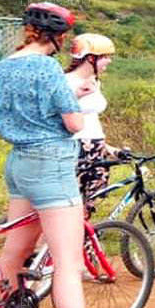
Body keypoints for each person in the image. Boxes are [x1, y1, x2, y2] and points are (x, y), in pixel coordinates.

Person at [0, 2, 142, 308]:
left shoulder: (2, 67)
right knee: (68, 264)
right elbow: (73, 123)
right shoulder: (46, 68)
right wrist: (78, 101)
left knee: (14, 252)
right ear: (58, 37)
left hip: (18, 161)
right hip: (52, 163)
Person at [64, 32, 118, 214]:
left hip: (94, 145)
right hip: (75, 146)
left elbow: (91, 119)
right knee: (69, 205)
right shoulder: (67, 82)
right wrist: (75, 96)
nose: (109, 61)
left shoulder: (94, 82)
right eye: (104, 57)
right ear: (90, 58)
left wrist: (106, 147)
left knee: (88, 205)